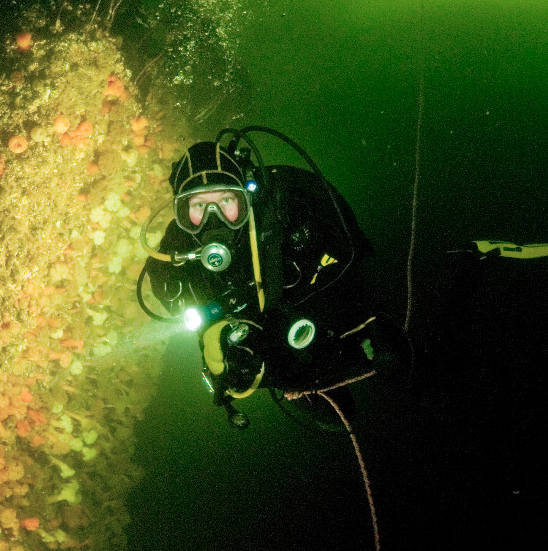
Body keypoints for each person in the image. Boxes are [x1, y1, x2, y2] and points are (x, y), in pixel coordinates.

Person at [140, 128, 409, 428]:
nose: (213, 217)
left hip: (330, 316)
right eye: (199, 206)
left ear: (245, 199)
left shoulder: (286, 207)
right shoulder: (173, 259)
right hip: (276, 349)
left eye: (226, 200)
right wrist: (224, 350)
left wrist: (360, 320)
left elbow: (351, 260)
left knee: (399, 367)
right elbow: (203, 325)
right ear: (182, 212)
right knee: (334, 417)